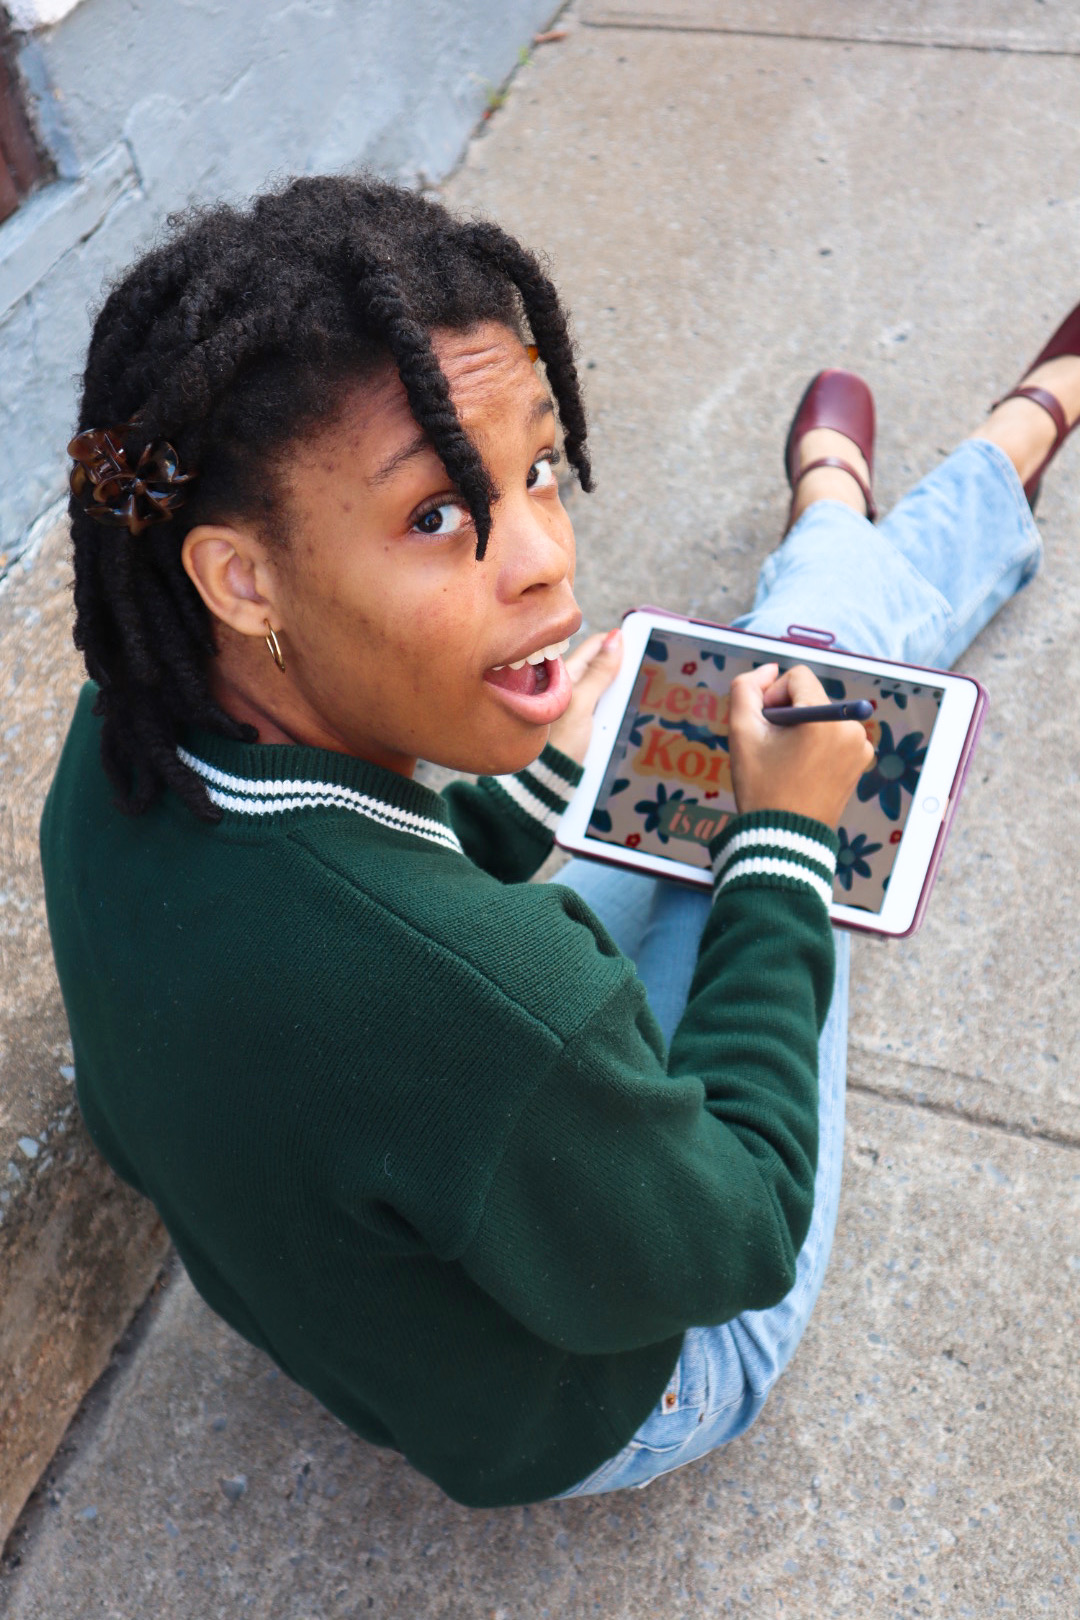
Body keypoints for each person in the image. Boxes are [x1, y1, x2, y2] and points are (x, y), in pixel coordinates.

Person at [40, 175, 1079, 1507]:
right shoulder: (498, 1005)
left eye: (539, 469)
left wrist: (536, 785)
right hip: (619, 1398)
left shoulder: (121, 737)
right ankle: (915, 483)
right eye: (436, 514)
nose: (545, 558)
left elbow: (339, 936)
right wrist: (783, 846)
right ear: (241, 579)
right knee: (795, 706)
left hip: (369, 1308)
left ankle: (877, 502)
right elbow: (744, 1231)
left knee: (690, 735)